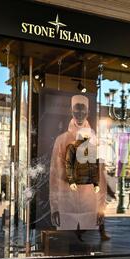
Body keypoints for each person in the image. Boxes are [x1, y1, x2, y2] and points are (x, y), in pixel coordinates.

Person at [49, 95, 110, 242]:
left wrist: (101, 208)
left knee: (87, 255)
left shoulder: (95, 141)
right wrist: (55, 207)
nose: (80, 114)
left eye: (83, 111)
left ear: (88, 113)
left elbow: (100, 176)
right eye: (77, 110)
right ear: (71, 111)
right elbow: (54, 174)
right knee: (66, 253)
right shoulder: (61, 140)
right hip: (66, 204)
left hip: (90, 204)